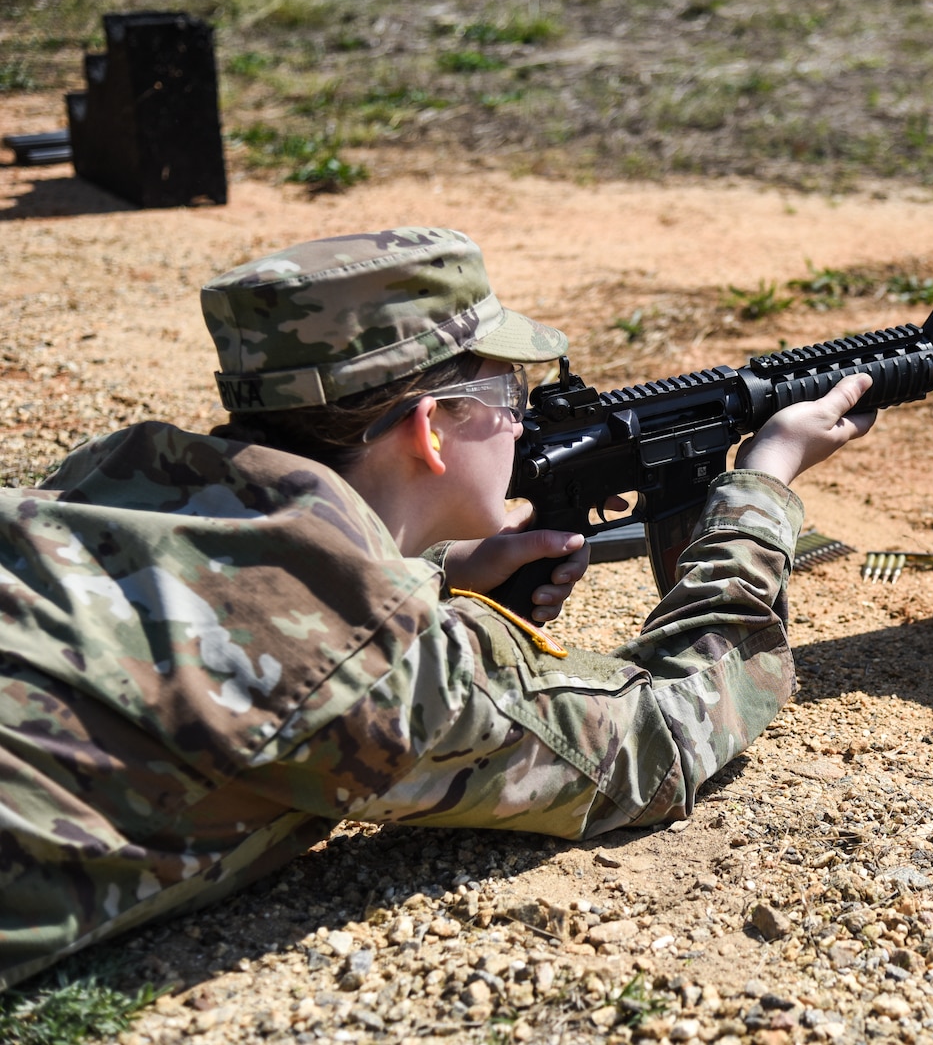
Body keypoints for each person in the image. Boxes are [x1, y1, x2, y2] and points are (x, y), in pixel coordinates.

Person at [0, 227, 875, 990]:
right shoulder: (376, 662)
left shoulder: (113, 471)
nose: (526, 426)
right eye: (513, 401)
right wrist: (762, 487)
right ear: (428, 429)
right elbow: (667, 735)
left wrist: (428, 571)